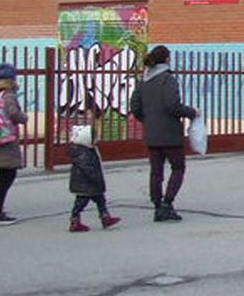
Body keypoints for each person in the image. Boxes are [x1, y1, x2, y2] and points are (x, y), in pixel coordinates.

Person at [129, 45, 198, 222]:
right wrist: (191, 112)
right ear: (167, 59)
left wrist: (148, 120)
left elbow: (135, 106)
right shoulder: (168, 79)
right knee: (178, 168)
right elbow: (172, 105)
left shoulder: (143, 80)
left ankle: (157, 205)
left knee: (156, 172)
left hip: (151, 133)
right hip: (169, 133)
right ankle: (168, 203)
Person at [67, 125, 121, 232]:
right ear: (86, 139)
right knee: (81, 202)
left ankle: (105, 216)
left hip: (89, 183)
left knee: (100, 200)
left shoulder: (87, 149)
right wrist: (96, 178)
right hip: (86, 183)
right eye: (95, 138)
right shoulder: (83, 153)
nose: (98, 140)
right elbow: (87, 168)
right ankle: (75, 220)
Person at [0, 63, 28, 226]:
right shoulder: (8, 95)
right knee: (6, 175)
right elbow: (14, 114)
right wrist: (24, 117)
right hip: (5, 141)